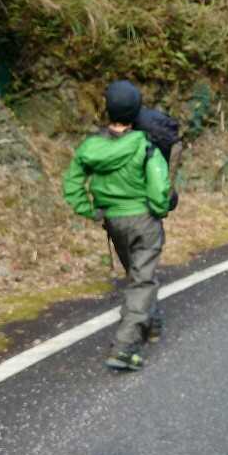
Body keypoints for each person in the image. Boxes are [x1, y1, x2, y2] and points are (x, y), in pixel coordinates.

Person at [63, 80, 170, 371]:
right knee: (142, 279)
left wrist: (91, 211)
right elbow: (159, 189)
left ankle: (151, 323)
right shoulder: (145, 146)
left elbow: (72, 185)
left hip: (113, 221)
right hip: (143, 220)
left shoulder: (90, 148)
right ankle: (125, 347)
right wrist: (159, 211)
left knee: (136, 273)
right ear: (136, 111)